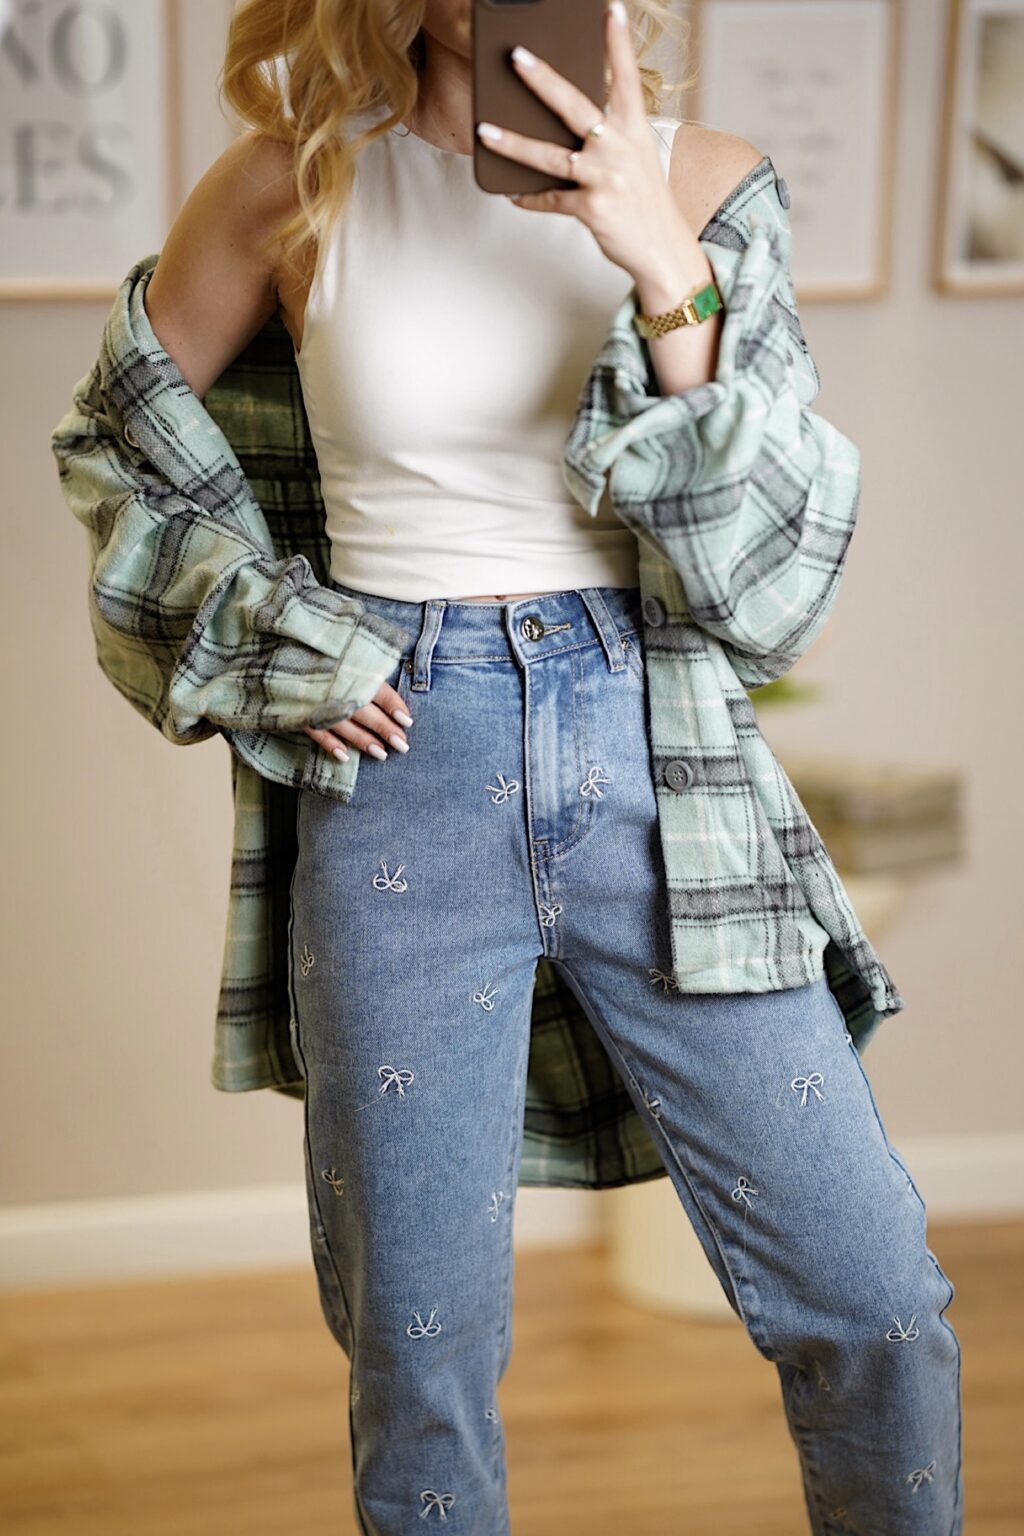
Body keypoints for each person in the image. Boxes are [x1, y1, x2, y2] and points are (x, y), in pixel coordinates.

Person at [60, 1, 964, 1530]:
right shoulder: (293, 180)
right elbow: (116, 442)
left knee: (876, 1302)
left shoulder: (705, 182)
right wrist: (284, 639)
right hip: (401, 777)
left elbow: (771, 586)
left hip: (658, 762)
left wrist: (658, 258)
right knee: (419, 1367)